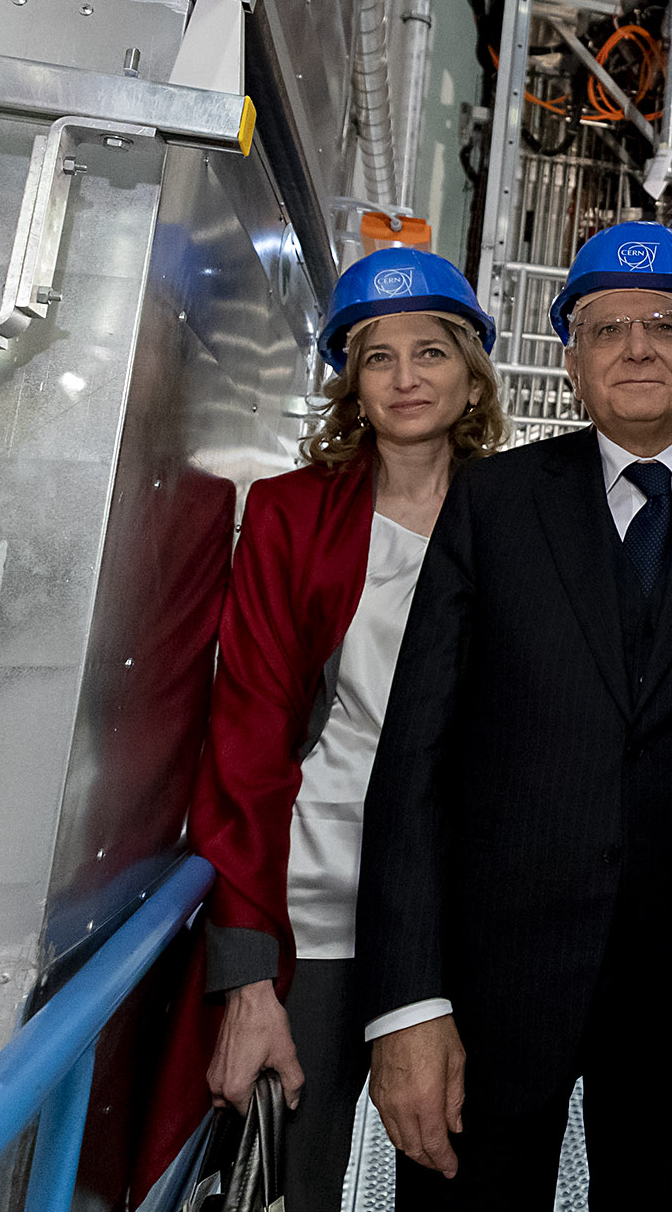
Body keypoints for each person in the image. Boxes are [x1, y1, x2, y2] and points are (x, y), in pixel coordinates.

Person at [357, 220, 672, 1209]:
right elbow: (415, 756)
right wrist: (407, 1002)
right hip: (489, 1000)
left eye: (665, 323)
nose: (637, 346)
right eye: (606, 328)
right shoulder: (495, 500)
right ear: (569, 357)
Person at [189, 248, 506, 1212]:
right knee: (293, 1172)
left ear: (470, 373)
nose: (407, 378)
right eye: (379, 357)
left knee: (456, 1168)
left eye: (431, 352)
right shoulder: (291, 517)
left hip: (459, 910)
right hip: (315, 899)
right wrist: (245, 975)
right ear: (351, 382)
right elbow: (243, 737)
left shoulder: (520, 517)